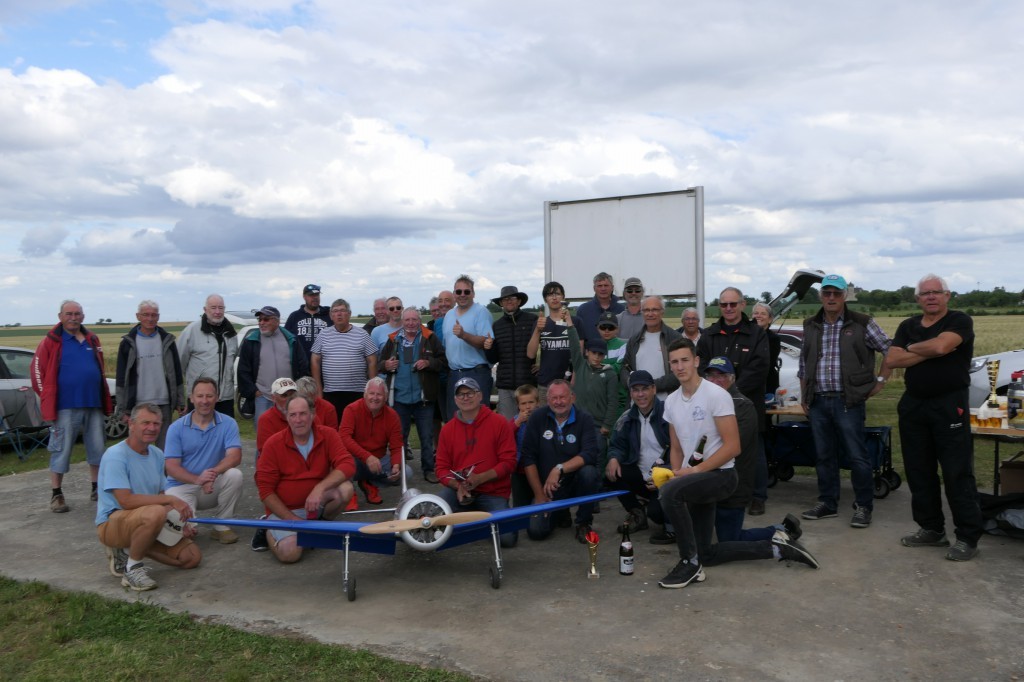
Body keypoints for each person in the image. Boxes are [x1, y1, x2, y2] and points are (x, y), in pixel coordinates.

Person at [887, 274, 984, 561]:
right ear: (917, 298)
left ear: (947, 296)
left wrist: (912, 348)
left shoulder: (959, 320)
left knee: (956, 471)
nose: (931, 297)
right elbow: (892, 360)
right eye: (925, 293)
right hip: (913, 404)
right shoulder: (908, 325)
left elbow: (942, 346)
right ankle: (931, 529)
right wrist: (930, 348)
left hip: (949, 403)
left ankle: (967, 537)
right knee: (918, 469)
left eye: (936, 292)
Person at [700, 356, 815, 568]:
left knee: (729, 541)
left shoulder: (743, 406)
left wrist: (698, 466)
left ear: (732, 378)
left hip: (733, 484)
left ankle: (780, 534)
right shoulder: (704, 403)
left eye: (721, 376)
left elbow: (728, 447)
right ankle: (781, 530)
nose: (715, 380)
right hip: (710, 480)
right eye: (711, 376)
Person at [799, 274, 892, 528]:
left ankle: (863, 506)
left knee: (856, 456)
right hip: (818, 401)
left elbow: (890, 349)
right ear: (821, 296)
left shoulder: (862, 322)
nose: (831, 298)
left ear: (844, 296)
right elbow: (803, 364)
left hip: (848, 401)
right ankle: (827, 503)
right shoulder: (810, 324)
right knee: (823, 456)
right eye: (827, 293)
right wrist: (805, 395)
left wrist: (880, 381)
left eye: (836, 293)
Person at [656, 338, 740, 589]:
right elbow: (676, 448)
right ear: (670, 366)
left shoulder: (716, 395)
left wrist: (693, 472)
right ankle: (776, 546)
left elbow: (733, 447)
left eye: (685, 360)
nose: (680, 366)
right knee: (707, 553)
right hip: (695, 476)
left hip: (722, 475)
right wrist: (676, 474)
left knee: (669, 494)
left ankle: (689, 564)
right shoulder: (671, 401)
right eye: (674, 362)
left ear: (696, 361)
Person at [95, 403, 202, 591]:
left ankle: (129, 549)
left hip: (148, 519)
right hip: (113, 522)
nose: (151, 428)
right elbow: (126, 501)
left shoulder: (157, 454)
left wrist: (179, 522)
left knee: (192, 558)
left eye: (156, 423)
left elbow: (159, 495)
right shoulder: (115, 455)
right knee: (156, 512)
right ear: (131, 424)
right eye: (145, 423)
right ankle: (132, 569)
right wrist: (171, 500)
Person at [31, 299, 113, 512]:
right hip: (64, 406)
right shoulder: (51, 341)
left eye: (77, 314)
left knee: (97, 448)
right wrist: (48, 397)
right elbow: (37, 373)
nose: (73, 318)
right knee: (61, 449)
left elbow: (99, 368)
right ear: (60, 317)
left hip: (93, 403)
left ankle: (97, 488)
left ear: (82, 317)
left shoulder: (92, 339)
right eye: (69, 314)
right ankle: (56, 494)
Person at [254, 394, 357, 563]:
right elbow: (265, 491)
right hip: (286, 510)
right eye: (293, 415)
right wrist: (292, 520)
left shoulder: (328, 435)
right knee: (290, 554)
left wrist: (319, 489)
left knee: (346, 489)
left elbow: (348, 464)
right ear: (287, 418)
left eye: (303, 414)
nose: (298, 420)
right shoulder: (273, 444)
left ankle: (320, 527)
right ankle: (268, 529)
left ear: (313, 414)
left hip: (316, 503)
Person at [697, 288, 770, 516]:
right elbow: (701, 366)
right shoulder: (709, 334)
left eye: (733, 304)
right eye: (724, 304)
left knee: (753, 452)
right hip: (713, 406)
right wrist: (716, 393)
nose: (728, 308)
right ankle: (721, 493)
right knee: (717, 447)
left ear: (742, 304)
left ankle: (757, 496)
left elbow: (760, 367)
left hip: (747, 405)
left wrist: (731, 390)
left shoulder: (756, 334)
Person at [435, 376, 518, 547]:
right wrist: (457, 485)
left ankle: (473, 522)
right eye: (461, 394)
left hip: (492, 492)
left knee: (508, 539)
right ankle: (475, 520)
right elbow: (441, 469)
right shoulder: (447, 429)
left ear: (480, 395)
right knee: (431, 524)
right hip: (459, 491)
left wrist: (480, 478)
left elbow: (509, 462)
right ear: (455, 400)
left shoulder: (499, 423)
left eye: (470, 393)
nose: (465, 397)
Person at [164, 377, 244, 545]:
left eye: (209, 396)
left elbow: (235, 456)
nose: (205, 401)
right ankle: (188, 524)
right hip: (181, 487)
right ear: (191, 398)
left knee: (235, 475)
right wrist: (198, 479)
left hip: (211, 485)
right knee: (182, 536)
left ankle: (222, 526)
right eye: (200, 396)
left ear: (217, 397)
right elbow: (171, 467)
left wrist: (211, 475)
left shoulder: (228, 423)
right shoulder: (176, 428)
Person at [520, 379, 601, 543]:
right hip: (548, 488)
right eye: (554, 398)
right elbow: (528, 457)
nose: (558, 402)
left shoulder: (584, 419)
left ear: (572, 397)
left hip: (575, 483)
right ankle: (560, 513)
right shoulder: (537, 418)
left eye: (563, 397)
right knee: (536, 532)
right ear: (547, 400)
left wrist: (559, 468)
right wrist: (539, 495)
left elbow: (590, 453)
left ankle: (583, 522)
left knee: (589, 472)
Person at [380, 308, 446, 483]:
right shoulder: (393, 340)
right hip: (399, 398)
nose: (410, 323)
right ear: (402, 321)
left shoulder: (430, 338)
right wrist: (386, 365)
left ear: (419, 321)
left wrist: (428, 362)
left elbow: (443, 361)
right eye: (407, 320)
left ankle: (429, 469)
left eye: (414, 320)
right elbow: (380, 364)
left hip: (423, 398)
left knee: (426, 436)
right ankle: (399, 471)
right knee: (399, 437)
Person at [605, 370, 670, 538]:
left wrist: (666, 475)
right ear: (631, 393)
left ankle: (672, 520)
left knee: (657, 514)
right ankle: (636, 512)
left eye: (645, 389)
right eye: (635, 390)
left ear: (654, 389)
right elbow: (617, 445)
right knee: (612, 472)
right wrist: (613, 458)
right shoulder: (626, 417)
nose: (640, 394)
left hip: (666, 477)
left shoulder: (669, 413)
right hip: (641, 475)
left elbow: (680, 451)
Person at [114, 300, 186, 449]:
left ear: (158, 317)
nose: (150, 318)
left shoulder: (168, 341)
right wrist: (122, 409)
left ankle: (162, 466)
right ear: (138, 316)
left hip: (164, 402)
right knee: (137, 448)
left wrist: (180, 400)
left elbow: (177, 372)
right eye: (146, 315)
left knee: (164, 448)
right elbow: (121, 378)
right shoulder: (127, 343)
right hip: (137, 403)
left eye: (153, 315)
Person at [339, 377, 410, 504]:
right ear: (365, 395)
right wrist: (367, 457)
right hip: (355, 459)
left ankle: (369, 482)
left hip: (379, 461)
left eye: (379, 394)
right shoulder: (351, 410)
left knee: (406, 472)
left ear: (386, 397)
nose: (375, 398)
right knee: (342, 464)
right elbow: (344, 438)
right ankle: (349, 492)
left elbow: (397, 446)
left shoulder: (392, 416)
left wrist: (396, 466)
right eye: (371, 393)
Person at [237, 305, 310, 425]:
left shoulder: (291, 339)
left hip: (288, 396)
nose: (261, 323)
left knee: (290, 429)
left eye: (266, 319)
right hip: (263, 396)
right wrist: (254, 392)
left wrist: (299, 389)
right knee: (263, 429)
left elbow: (303, 365)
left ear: (277, 321)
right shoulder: (251, 341)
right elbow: (243, 370)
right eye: (260, 319)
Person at [310, 298, 378, 416]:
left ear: (349, 314)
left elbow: (372, 360)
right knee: (333, 425)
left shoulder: (362, 334)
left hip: (357, 393)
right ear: (331, 316)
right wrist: (319, 391)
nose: (339, 314)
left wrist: (371, 390)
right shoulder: (323, 334)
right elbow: (314, 360)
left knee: (357, 425)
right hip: (331, 393)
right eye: (335, 311)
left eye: (342, 310)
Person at [177, 294, 238, 417]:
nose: (217, 312)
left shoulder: (231, 334)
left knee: (225, 429)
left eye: (221, 308)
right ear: (205, 310)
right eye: (213, 308)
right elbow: (179, 364)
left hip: (225, 398)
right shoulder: (192, 331)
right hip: (200, 398)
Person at [441, 275, 494, 417]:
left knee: (479, 418)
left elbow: (485, 342)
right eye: (459, 292)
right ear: (454, 294)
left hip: (476, 373)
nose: (462, 295)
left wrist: (464, 335)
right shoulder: (449, 315)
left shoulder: (481, 312)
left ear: (473, 293)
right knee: (455, 419)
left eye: (467, 291)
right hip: (454, 373)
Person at [486, 285, 538, 419]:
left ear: (519, 301)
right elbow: (493, 358)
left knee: (530, 423)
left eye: (512, 298)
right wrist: (488, 347)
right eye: (505, 299)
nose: (509, 301)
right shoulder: (497, 326)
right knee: (508, 425)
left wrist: (541, 364)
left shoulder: (532, 320)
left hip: (528, 384)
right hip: (505, 385)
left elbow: (543, 346)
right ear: (501, 303)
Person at [569, 336, 620, 467]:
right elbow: (574, 346)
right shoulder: (580, 365)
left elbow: (613, 401)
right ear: (587, 352)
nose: (597, 357)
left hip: (597, 426)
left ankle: (599, 480)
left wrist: (606, 425)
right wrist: (570, 326)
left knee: (598, 459)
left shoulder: (610, 374)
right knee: (575, 457)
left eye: (600, 354)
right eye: (594, 353)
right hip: (576, 423)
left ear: (604, 356)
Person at [256, 377, 338, 456]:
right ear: (274, 398)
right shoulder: (266, 419)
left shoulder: (310, 416)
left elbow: (321, 443)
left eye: (292, 395)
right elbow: (267, 452)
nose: (289, 399)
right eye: (284, 395)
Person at [620, 296, 681, 400]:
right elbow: (625, 367)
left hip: (666, 403)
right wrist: (631, 382)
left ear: (662, 312)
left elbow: (680, 371)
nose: (650, 314)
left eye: (655, 310)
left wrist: (650, 386)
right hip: (639, 402)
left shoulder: (674, 338)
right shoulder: (634, 340)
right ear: (642, 312)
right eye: (646, 310)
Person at [527, 281, 578, 402]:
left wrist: (574, 380)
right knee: (545, 414)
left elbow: (579, 354)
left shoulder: (576, 321)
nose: (554, 298)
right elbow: (530, 354)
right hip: (545, 384)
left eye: (557, 294)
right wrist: (537, 330)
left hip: (568, 382)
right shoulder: (540, 322)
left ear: (563, 297)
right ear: (545, 299)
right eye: (550, 295)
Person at [509, 384, 540, 507]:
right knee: (520, 504)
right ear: (518, 405)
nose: (528, 407)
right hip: (519, 470)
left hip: (539, 468)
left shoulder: (543, 419)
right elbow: (506, 437)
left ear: (537, 403)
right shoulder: (515, 420)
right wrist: (517, 423)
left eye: (531, 402)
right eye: (523, 403)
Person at [575, 272, 625, 345]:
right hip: (591, 352)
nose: (603, 289)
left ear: (612, 288)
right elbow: (578, 337)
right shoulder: (583, 310)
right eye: (599, 286)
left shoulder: (622, 310)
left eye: (606, 285)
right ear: (594, 288)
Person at [284, 284, 332, 357]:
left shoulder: (329, 315)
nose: (315, 297)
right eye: (311, 295)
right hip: (301, 362)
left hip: (325, 361)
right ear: (304, 297)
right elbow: (285, 340)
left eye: (317, 295)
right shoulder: (294, 316)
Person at [596, 311, 629, 415]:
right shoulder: (594, 345)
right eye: (603, 327)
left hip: (618, 399)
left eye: (610, 327)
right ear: (598, 328)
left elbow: (620, 367)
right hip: (598, 399)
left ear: (617, 329)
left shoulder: (624, 345)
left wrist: (600, 368)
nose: (606, 330)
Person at [751, 302, 782, 398]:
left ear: (770, 319)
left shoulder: (774, 339)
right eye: (756, 313)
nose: (758, 316)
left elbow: (768, 362)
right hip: (746, 383)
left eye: (763, 313)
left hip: (766, 384)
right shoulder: (744, 336)